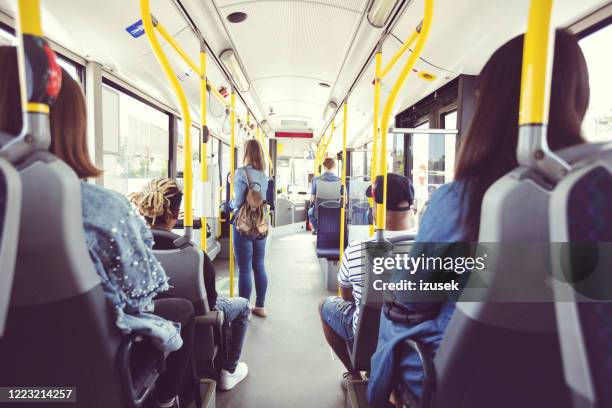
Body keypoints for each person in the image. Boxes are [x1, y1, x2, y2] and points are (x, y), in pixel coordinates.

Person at [367, 29, 589, 407]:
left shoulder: (465, 201)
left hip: (463, 382)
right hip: (568, 384)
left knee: (393, 309)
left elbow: (412, 299)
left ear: (492, 109)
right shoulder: (591, 203)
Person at [0, 46, 194, 408]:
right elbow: (141, 299)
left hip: (11, 389)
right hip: (77, 383)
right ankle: (167, 401)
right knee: (180, 312)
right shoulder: (101, 211)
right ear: (71, 125)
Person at [130, 178, 250, 391]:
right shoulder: (193, 254)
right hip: (195, 320)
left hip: (144, 321)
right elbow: (210, 302)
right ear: (176, 215)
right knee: (242, 305)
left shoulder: (129, 248)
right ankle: (228, 370)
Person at [319, 173, 415, 386]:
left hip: (369, 341)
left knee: (325, 306)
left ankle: (354, 374)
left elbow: (346, 296)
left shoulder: (357, 250)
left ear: (376, 208)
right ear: (412, 206)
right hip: (414, 341)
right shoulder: (432, 249)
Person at [231, 139, 270, 317]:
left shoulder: (241, 172)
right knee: (259, 266)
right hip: (261, 224)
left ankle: (244, 310)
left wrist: (231, 198)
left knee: (245, 269)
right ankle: (260, 306)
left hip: (244, 226)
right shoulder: (264, 174)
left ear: (245, 152)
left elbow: (238, 202)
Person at [308, 157, 341, 234]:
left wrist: (312, 205)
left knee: (310, 213)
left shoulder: (316, 179)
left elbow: (312, 198)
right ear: (334, 167)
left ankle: (318, 231)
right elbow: (343, 198)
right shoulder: (340, 180)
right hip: (335, 210)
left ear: (323, 167)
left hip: (320, 210)